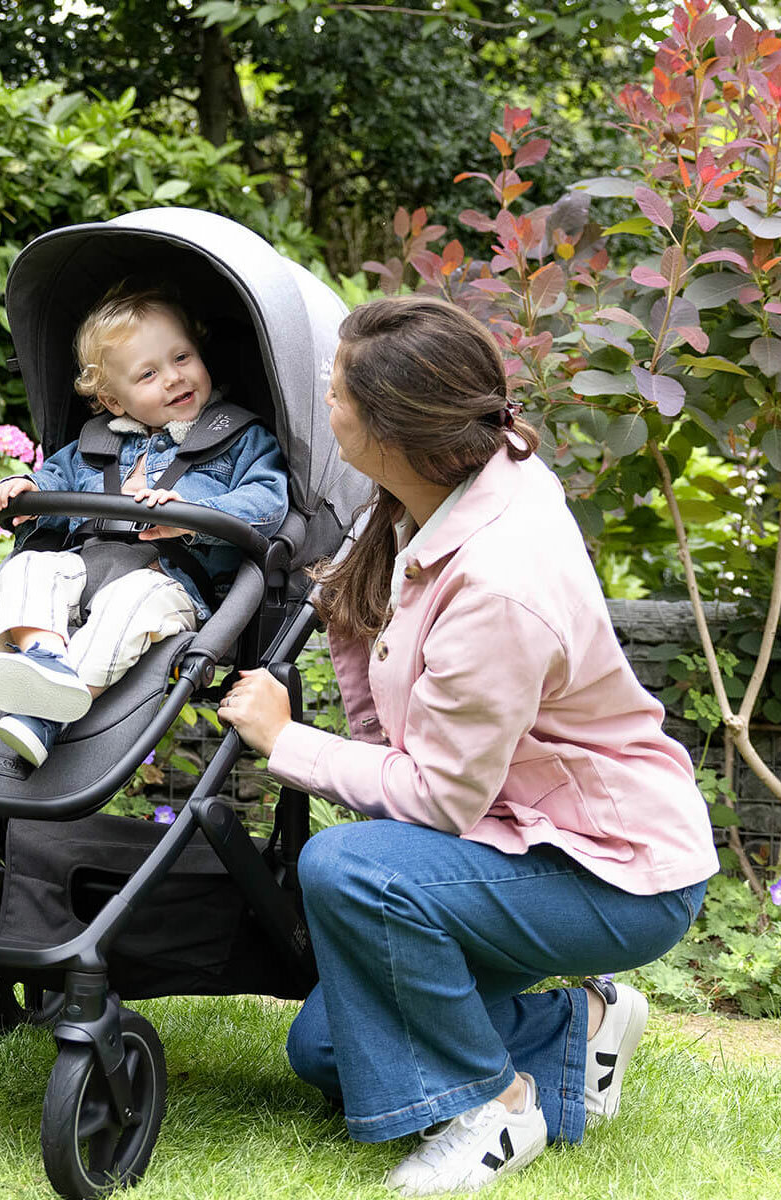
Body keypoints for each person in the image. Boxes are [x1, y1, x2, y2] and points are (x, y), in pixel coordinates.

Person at [216, 296, 718, 1196]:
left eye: (335, 396)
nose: (323, 408)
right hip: (513, 835)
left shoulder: (499, 583)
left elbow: (438, 799)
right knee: (329, 1048)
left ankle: (492, 1110)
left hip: (609, 869)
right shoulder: (440, 493)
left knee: (349, 867)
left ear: (394, 429)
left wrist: (288, 741)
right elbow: (410, 724)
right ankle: (580, 1026)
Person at [0, 283, 288, 768]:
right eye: (148, 373)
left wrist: (190, 513)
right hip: (85, 567)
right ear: (113, 401)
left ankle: (49, 713)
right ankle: (42, 655)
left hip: (171, 581)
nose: (173, 378)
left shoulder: (242, 438)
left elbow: (268, 503)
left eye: (182, 357)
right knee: (26, 568)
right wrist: (26, 491)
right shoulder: (93, 444)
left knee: (132, 601)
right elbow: (52, 483)